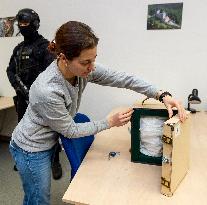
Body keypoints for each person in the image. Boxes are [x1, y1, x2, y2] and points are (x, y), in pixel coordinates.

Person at [9, 21, 186, 205]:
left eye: (94, 59)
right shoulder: (48, 90)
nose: (92, 67)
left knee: (36, 195)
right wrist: (109, 122)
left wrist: (161, 94)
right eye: (86, 62)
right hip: (30, 147)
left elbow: (123, 79)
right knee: (38, 198)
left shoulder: (83, 70)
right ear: (64, 58)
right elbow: (70, 131)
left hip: (51, 135)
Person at [6, 8, 62, 179]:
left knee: (50, 130)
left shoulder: (45, 47)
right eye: (20, 24)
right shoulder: (18, 48)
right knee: (24, 131)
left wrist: (38, 93)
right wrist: (21, 89)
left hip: (43, 99)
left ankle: (55, 161)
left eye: (26, 24)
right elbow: (10, 70)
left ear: (35, 24)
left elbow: (53, 74)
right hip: (23, 99)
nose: (22, 27)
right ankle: (24, 158)